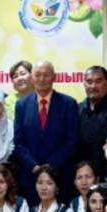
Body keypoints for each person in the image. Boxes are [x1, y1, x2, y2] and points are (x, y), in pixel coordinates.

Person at [13, 60, 80, 203]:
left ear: (54, 77)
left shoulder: (68, 104)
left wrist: (50, 167)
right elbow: (18, 143)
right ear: (32, 78)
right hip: (30, 176)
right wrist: (34, 166)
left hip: (60, 176)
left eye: (46, 75)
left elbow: (72, 141)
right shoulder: (22, 105)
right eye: (37, 75)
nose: (42, 79)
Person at [77, 66, 107, 180]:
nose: (93, 86)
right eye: (89, 82)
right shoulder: (76, 109)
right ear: (84, 84)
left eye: (98, 81)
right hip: (80, 176)